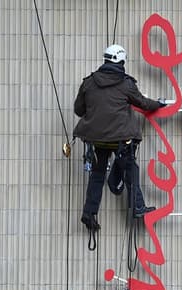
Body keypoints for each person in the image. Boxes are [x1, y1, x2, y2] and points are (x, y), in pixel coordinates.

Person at [73, 44, 166, 231]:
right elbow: (143, 103)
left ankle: (89, 213)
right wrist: (159, 104)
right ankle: (138, 206)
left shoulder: (89, 82)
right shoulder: (126, 84)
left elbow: (78, 110)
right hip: (121, 139)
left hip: (97, 139)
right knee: (131, 170)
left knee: (97, 174)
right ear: (121, 61)